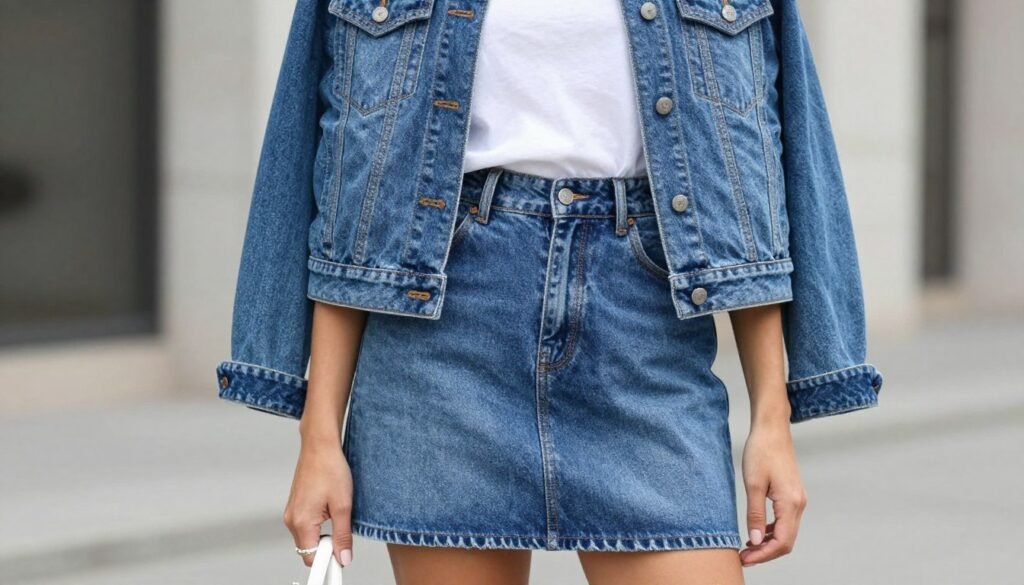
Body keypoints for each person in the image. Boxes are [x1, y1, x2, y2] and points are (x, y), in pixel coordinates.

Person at [216, 0, 884, 583]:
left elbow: (748, 170)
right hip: (444, 329)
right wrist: (320, 435)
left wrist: (771, 418)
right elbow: (353, 182)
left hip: (643, 330)